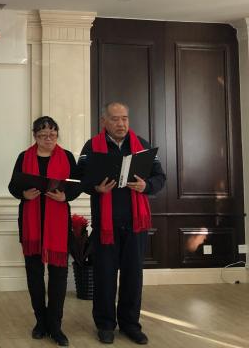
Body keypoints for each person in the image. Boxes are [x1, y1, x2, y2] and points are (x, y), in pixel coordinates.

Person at [77, 102, 165, 345]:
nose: (121, 124)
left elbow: (160, 176)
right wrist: (95, 188)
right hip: (106, 225)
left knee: (133, 276)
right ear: (103, 121)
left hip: (136, 224)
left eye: (124, 118)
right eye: (115, 119)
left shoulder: (142, 146)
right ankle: (105, 325)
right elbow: (79, 178)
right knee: (104, 276)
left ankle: (130, 325)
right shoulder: (91, 147)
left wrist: (147, 186)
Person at [8, 116, 80, 346]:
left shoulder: (67, 157)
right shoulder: (24, 157)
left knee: (59, 275)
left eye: (52, 134)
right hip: (31, 224)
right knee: (34, 274)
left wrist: (65, 196)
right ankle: (40, 322)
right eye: (42, 135)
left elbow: (77, 186)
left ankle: (55, 325)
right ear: (35, 136)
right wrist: (23, 194)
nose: (48, 139)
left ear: (57, 134)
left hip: (58, 224)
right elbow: (13, 186)